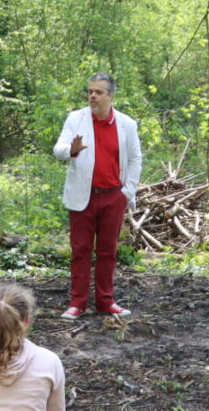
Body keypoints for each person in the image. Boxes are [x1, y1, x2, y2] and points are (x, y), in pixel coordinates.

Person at [51, 72, 142, 319]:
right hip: (83, 195)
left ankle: (105, 301)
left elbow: (135, 160)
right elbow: (57, 149)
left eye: (98, 92)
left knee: (107, 251)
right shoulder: (76, 119)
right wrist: (72, 149)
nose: (93, 96)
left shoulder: (126, 124)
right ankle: (77, 303)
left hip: (113, 196)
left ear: (110, 95)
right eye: (90, 91)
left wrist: (127, 192)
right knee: (80, 250)